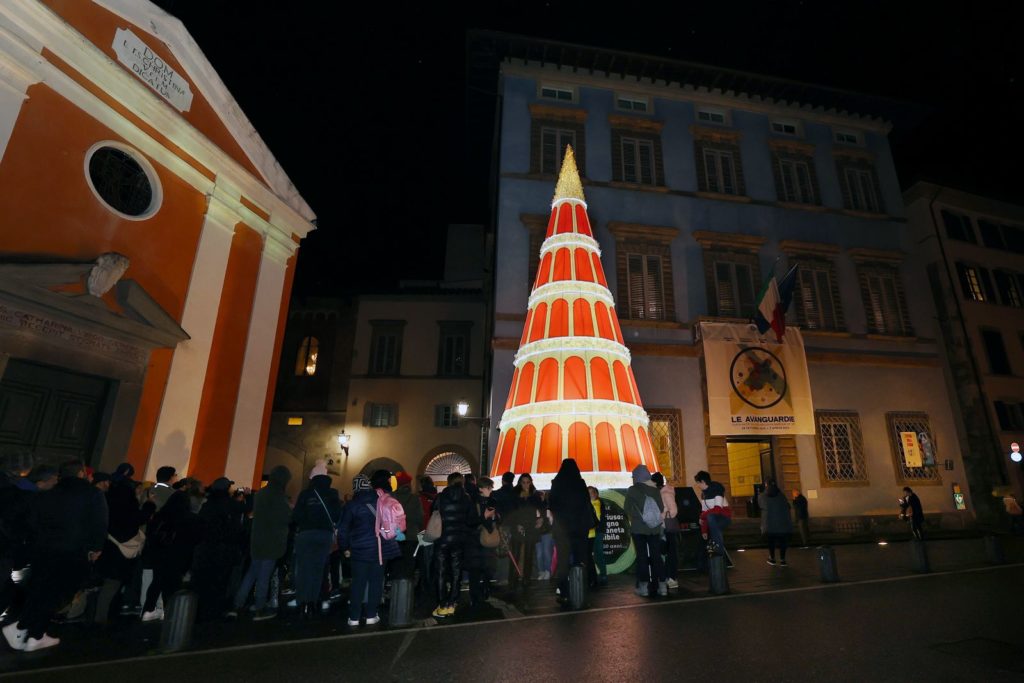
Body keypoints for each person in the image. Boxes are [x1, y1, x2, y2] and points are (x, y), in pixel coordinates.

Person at [2, 459, 106, 652]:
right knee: (59, 593)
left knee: (42, 589)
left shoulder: (49, 493)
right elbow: (99, 522)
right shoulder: (92, 494)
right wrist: (96, 548)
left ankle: (32, 632)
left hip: (45, 550)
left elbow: (33, 521)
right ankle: (27, 630)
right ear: (81, 473)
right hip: (74, 551)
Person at [228, 466, 292, 621]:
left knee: (251, 573)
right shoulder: (279, 497)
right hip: (272, 541)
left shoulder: (261, 494)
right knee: (264, 576)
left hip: (257, 540)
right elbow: (286, 518)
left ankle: (237, 605)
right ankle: (259, 608)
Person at [337, 471, 400, 626]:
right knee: (376, 582)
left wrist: (344, 547)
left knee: (358, 582)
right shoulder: (382, 501)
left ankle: (354, 617)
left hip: (358, 551)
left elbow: (343, 530)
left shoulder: (351, 505)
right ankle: (372, 615)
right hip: (380, 550)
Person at [94, 462, 147, 624]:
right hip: (120, 546)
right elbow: (134, 520)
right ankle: (101, 617)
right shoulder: (126, 499)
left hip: (106, 543)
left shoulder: (105, 497)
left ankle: (88, 613)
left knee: (102, 583)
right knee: (113, 583)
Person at [140, 490, 200, 622]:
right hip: (179, 556)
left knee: (157, 582)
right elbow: (195, 540)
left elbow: (151, 534)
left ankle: (148, 610)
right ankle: (170, 612)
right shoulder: (191, 518)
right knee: (173, 585)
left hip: (159, 554)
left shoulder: (161, 515)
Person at [192, 477, 244, 620]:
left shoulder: (207, 504)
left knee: (206, 580)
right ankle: (217, 609)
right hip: (224, 548)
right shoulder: (230, 504)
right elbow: (236, 527)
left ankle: (202, 609)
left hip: (206, 547)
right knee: (222, 581)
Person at [292, 472, 342, 618]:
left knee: (303, 570)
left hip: (306, 534)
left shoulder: (306, 494)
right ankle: (312, 603)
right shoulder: (332, 494)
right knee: (318, 570)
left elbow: (296, 515)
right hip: (324, 535)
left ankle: (303, 603)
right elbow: (337, 515)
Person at [547, 459, 593, 604]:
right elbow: (586, 502)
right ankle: (581, 589)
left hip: (562, 529)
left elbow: (552, 504)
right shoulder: (580, 483)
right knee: (580, 559)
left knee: (563, 560)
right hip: (580, 528)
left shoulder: (557, 483)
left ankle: (564, 591)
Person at [431, 472, 475, 618]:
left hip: (442, 539)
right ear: (462, 482)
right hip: (459, 539)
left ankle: (442, 604)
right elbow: (471, 520)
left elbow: (433, 513)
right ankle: (452, 602)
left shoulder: (440, 497)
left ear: (449, 482)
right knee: (457, 571)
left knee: (441, 571)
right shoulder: (467, 498)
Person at [625, 464, 665, 597]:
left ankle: (644, 587)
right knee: (656, 556)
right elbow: (660, 507)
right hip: (654, 528)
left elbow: (627, 509)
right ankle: (662, 586)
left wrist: (638, 516)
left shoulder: (632, 490)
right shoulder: (655, 490)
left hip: (638, 528)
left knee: (642, 556)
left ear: (636, 477)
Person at [465, 476, 497, 607]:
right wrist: (484, 517)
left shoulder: (493, 501)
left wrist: (496, 517)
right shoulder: (473, 502)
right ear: (480, 489)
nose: (490, 490)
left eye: (491, 487)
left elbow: (498, 519)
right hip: (475, 541)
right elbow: (470, 521)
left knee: (489, 568)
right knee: (475, 570)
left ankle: (485, 590)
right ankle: (475, 596)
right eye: (488, 487)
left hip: (488, 540)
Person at [507, 473, 543, 589]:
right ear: (520, 482)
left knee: (529, 554)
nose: (526, 485)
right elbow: (511, 511)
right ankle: (513, 579)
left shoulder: (534, 494)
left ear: (531, 482)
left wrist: (540, 519)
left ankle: (526, 579)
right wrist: (516, 524)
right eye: (523, 482)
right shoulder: (514, 494)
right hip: (518, 526)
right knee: (516, 553)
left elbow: (542, 508)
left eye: (528, 482)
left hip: (531, 526)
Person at [390, 471, 423, 581]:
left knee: (396, 565)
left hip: (396, 536)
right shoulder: (414, 499)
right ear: (408, 484)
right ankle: (407, 591)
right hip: (411, 536)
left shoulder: (392, 498)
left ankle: (395, 589)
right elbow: (419, 518)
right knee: (409, 565)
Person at [651, 472, 680, 589]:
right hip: (665, 528)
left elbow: (673, 510)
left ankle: (671, 578)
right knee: (668, 552)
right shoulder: (663, 492)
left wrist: (660, 516)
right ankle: (669, 577)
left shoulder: (666, 493)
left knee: (670, 553)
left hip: (667, 528)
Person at [695, 470, 732, 556]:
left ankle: (718, 548)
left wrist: (701, 516)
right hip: (713, 519)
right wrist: (704, 531)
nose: (698, 485)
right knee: (712, 524)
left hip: (724, 517)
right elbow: (704, 511)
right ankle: (717, 548)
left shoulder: (717, 490)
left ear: (703, 482)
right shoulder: (703, 494)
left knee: (711, 518)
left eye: (698, 483)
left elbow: (717, 510)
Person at [759, 480, 793, 566]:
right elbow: (788, 507)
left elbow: (760, 505)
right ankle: (783, 559)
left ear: (766, 485)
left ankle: (772, 558)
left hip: (769, 524)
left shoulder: (762, 496)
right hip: (783, 523)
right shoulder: (782, 496)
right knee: (783, 542)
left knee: (771, 542)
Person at [587, 486, 607, 587]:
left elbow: (597, 520)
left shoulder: (598, 504)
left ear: (596, 494)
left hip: (597, 532)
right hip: (590, 533)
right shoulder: (588, 504)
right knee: (591, 555)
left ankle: (603, 574)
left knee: (598, 553)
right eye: (588, 492)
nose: (590, 494)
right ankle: (594, 575)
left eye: (592, 492)